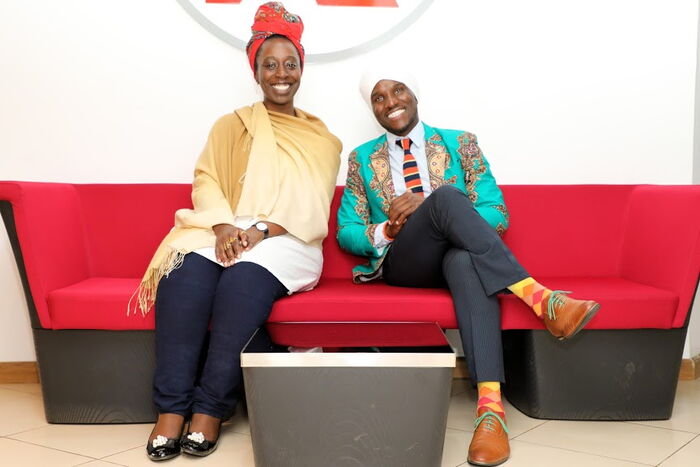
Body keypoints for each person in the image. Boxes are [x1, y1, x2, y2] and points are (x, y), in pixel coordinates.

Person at [336, 67, 599, 467]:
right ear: (371, 107)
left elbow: (495, 212)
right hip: (405, 261)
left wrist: (437, 208)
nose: (390, 102)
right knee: (445, 197)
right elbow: (347, 231)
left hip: (459, 257)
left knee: (461, 255)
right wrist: (387, 228)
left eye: (398, 90)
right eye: (378, 97)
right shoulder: (361, 159)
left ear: (415, 94)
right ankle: (539, 297)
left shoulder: (462, 144)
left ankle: (490, 413)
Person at [135, 2, 341, 461]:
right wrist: (225, 225)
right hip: (224, 226)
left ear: (301, 69)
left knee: (241, 283)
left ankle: (210, 409)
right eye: (270, 64)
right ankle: (170, 410)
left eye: (290, 64)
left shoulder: (322, 138)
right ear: (256, 71)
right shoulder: (232, 124)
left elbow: (312, 202)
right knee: (183, 276)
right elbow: (207, 178)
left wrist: (261, 231)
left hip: (289, 238)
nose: (281, 73)